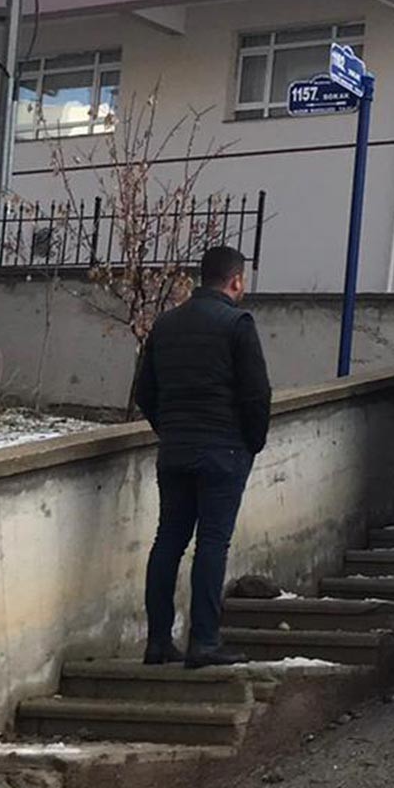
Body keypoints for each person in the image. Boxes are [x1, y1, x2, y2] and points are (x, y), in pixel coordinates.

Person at [134, 245, 271, 668]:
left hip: (175, 449)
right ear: (236, 280)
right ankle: (205, 641)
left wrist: (170, 429)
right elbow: (256, 392)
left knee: (168, 541)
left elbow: (145, 391)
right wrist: (253, 441)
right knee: (212, 543)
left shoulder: (167, 324)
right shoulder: (238, 324)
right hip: (224, 449)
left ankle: (158, 641)